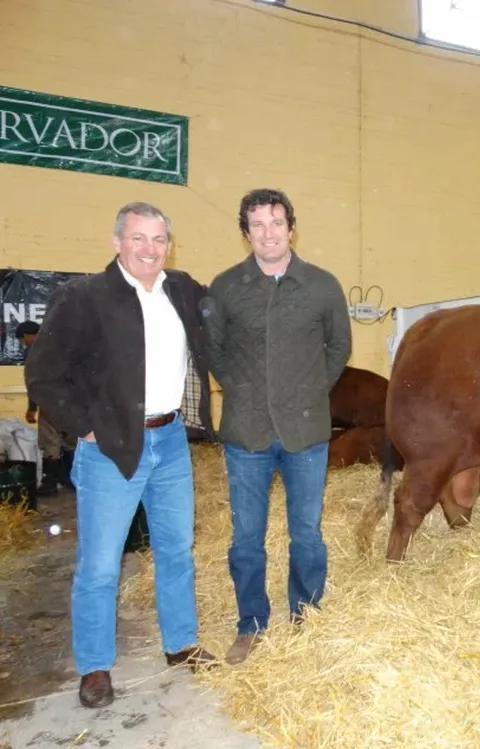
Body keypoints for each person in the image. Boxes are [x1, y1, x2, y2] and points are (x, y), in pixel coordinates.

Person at [25, 201, 219, 709]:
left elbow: (223, 324)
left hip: (171, 440)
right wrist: (83, 426)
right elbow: (43, 374)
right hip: (111, 446)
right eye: (138, 238)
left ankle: (180, 643)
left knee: (176, 552)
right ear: (117, 242)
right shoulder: (84, 296)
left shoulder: (180, 289)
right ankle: (94, 666)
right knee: (101, 565)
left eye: (158, 239)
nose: (149, 249)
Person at [201, 188, 352, 665]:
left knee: (306, 533)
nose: (268, 232)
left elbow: (338, 348)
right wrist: (243, 390)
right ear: (246, 233)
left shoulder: (322, 285)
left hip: (306, 433)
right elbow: (213, 351)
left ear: (292, 228)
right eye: (258, 224)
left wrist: (307, 393)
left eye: (276, 222)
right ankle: (251, 622)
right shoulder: (225, 287)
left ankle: (305, 613)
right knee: (247, 537)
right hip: (246, 434)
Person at [14, 320, 65, 495]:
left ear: (29, 335)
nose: (24, 343)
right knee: (70, 441)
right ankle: (68, 479)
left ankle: (50, 484)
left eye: (23, 339)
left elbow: (34, 382)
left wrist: (32, 407)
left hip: (50, 401)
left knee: (50, 442)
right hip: (71, 401)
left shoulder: (35, 351)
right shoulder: (59, 344)